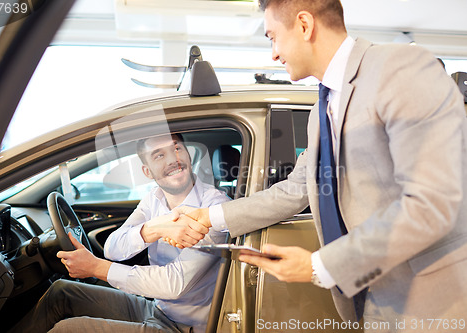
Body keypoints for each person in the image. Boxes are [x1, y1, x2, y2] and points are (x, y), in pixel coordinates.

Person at [168, 0, 467, 331]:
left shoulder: (399, 69)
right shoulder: (320, 111)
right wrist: (210, 217)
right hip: (373, 298)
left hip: (434, 299)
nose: (273, 54)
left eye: (272, 37)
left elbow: (433, 202)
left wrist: (320, 265)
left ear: (305, 25)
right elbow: (298, 188)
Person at [9, 133, 230, 333]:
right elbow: (113, 248)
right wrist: (154, 228)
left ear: (189, 155)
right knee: (60, 293)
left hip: (185, 328)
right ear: (147, 171)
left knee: (67, 330)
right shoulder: (154, 198)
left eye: (176, 148)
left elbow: (174, 284)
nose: (172, 159)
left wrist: (95, 268)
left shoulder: (214, 208)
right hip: (158, 309)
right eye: (159, 155)